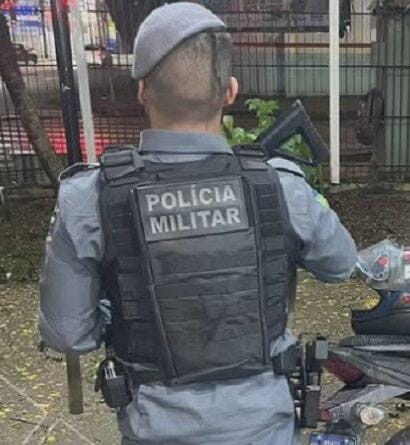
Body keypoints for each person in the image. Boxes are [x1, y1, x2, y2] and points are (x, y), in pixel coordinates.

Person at [38, 3, 357, 445]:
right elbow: (341, 264)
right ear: (230, 91)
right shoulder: (279, 185)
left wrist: (119, 307)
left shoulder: (89, 197)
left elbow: (66, 333)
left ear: (142, 91)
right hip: (265, 430)